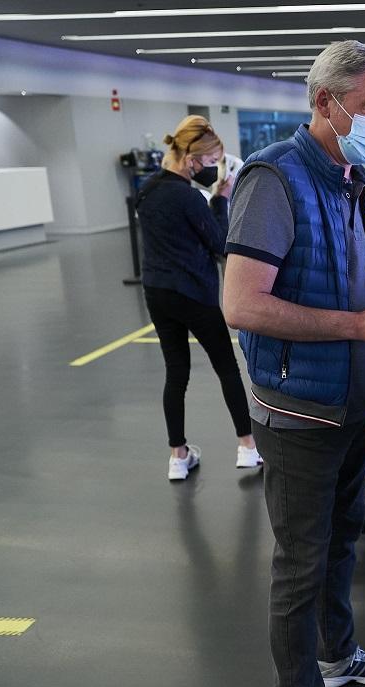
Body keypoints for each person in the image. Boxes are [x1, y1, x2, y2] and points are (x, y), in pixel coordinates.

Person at [221, 40, 365, 687]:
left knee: (344, 542)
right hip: (297, 410)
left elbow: (347, 285)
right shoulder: (274, 181)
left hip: (349, 400)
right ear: (325, 102)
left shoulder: (350, 180)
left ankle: (338, 657)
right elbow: (243, 305)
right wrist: (359, 323)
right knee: (301, 564)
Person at [134, 114, 260, 480]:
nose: (211, 169)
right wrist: (220, 199)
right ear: (190, 159)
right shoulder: (188, 198)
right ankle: (248, 447)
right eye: (208, 163)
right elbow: (220, 243)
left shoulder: (146, 190)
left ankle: (177, 455)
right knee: (226, 367)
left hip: (157, 293)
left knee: (176, 373)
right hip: (195, 294)